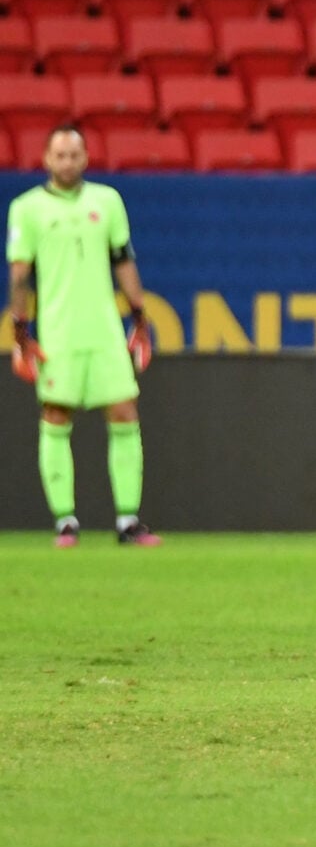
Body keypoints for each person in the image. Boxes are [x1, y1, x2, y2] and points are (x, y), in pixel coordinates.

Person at [7, 123, 158, 547]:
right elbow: (20, 274)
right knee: (56, 415)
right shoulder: (27, 209)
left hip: (105, 329)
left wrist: (140, 314)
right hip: (57, 331)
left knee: (125, 412)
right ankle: (65, 521)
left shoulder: (107, 201)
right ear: (46, 160)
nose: (68, 162)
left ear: (86, 158)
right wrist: (21, 329)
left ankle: (128, 521)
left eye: (75, 155)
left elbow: (123, 259)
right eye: (60, 155)